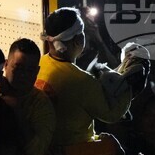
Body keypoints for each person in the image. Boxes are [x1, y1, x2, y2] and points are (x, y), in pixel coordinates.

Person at [36, 8, 134, 145]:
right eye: (82, 33)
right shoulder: (82, 81)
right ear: (77, 40)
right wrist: (129, 86)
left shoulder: (38, 64)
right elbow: (112, 114)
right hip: (75, 154)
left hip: (45, 149)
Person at [0, 38, 55, 155]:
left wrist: (16, 111)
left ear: (37, 71)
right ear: (6, 64)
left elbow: (36, 151)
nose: (23, 75)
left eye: (30, 70)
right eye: (18, 68)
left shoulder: (40, 104)